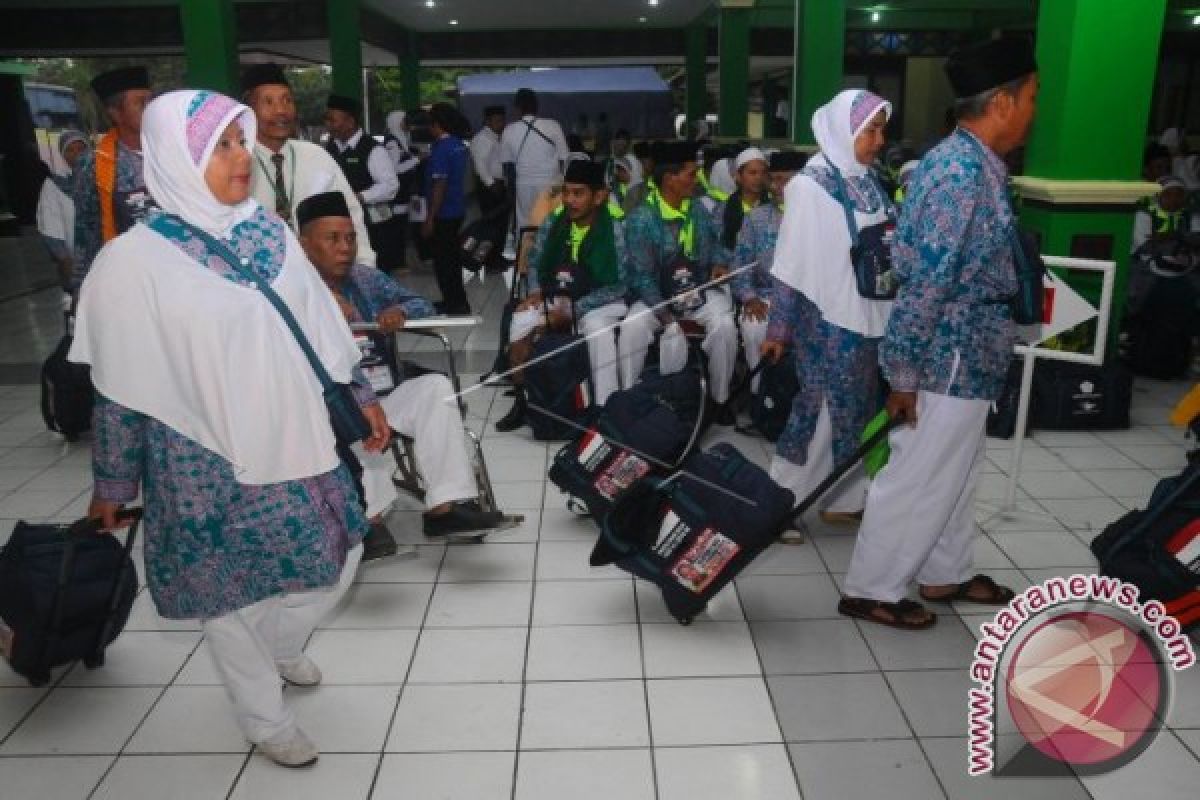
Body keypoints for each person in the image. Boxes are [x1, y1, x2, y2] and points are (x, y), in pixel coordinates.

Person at [73, 89, 390, 767]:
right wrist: (113, 481)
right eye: (219, 146)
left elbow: (320, 325)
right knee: (229, 592)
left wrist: (361, 393)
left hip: (295, 428)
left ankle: (281, 646)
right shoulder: (133, 263)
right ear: (175, 158)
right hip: (198, 456)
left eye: (240, 141)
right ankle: (262, 715)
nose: (240, 157)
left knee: (335, 556)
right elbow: (119, 388)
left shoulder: (269, 231)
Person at [840, 39, 1038, 629]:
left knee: (958, 467)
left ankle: (945, 570)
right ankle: (871, 587)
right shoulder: (957, 173)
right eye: (1031, 96)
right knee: (919, 472)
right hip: (947, 353)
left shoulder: (976, 165)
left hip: (971, 352)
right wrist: (903, 373)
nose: (1034, 109)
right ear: (1001, 102)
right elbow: (926, 281)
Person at [296, 191, 514, 538]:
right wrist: (320, 303)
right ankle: (370, 522)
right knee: (348, 414)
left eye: (351, 238)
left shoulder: (364, 279)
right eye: (332, 239)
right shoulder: (293, 291)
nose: (345, 247)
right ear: (304, 245)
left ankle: (445, 508)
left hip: (384, 392)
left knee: (435, 389)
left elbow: (421, 304)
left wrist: (401, 312)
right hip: (334, 406)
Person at [762, 90, 896, 537]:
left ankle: (842, 496)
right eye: (870, 130)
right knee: (816, 408)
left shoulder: (869, 180)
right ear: (845, 128)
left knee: (856, 409)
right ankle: (778, 503)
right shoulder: (809, 186)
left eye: (882, 129)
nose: (879, 140)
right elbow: (789, 265)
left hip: (869, 313)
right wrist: (778, 328)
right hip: (826, 319)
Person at [496, 159, 630, 431]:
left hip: (602, 299)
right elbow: (534, 262)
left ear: (599, 196)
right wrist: (534, 292)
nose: (569, 200)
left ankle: (605, 409)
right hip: (557, 295)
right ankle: (524, 400)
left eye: (578, 193)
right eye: (566, 192)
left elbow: (623, 283)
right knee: (521, 321)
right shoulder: (555, 222)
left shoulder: (616, 226)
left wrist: (574, 309)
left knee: (596, 329)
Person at [618, 140, 738, 424]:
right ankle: (629, 397)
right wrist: (665, 315)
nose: (696, 178)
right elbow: (642, 276)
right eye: (690, 173)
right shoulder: (642, 219)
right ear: (670, 179)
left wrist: (720, 263)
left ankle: (719, 400)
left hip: (697, 292)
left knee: (724, 327)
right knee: (632, 327)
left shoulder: (697, 210)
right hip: (657, 295)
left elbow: (718, 245)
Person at [241, 63, 376, 267]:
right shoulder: (235, 162)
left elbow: (351, 215)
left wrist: (365, 269)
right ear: (248, 110)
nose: (281, 111)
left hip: (318, 278)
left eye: (287, 100)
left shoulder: (316, 156)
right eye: (268, 102)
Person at [71, 66, 153, 290]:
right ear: (116, 113)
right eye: (140, 103)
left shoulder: (172, 152)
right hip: (128, 279)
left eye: (150, 101)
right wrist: (83, 288)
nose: (150, 109)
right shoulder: (94, 164)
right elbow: (86, 230)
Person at [731, 150, 804, 395]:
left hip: (806, 302)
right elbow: (740, 265)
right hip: (764, 297)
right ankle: (759, 397)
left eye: (784, 180)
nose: (775, 186)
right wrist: (749, 297)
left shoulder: (817, 219)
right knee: (753, 328)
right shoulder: (756, 218)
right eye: (773, 179)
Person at [324, 94, 405, 272]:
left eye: (332, 120)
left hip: (373, 225)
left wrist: (359, 196)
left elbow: (390, 185)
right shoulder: (330, 147)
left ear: (350, 122)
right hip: (341, 224)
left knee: (375, 273)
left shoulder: (373, 149)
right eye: (327, 120)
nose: (328, 125)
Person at [422, 102, 472, 315]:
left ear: (437, 125)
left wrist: (430, 218)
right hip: (457, 208)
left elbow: (439, 184)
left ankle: (454, 303)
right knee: (452, 258)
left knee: (443, 262)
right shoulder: (459, 144)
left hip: (442, 212)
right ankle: (457, 300)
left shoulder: (441, 148)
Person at [501, 88, 568, 231]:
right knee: (550, 223)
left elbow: (507, 166)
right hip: (550, 184)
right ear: (537, 106)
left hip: (523, 184)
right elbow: (565, 158)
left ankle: (526, 251)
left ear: (517, 108)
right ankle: (548, 252)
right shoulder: (552, 125)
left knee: (524, 223)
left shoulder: (509, 130)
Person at [37, 130, 89, 291]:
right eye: (70, 150)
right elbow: (49, 225)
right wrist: (66, 261)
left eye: (81, 149)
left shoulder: (101, 177)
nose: (77, 154)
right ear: (62, 154)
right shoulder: (53, 185)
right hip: (75, 262)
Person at [470, 105, 510, 271]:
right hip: (490, 187)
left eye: (502, 120)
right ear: (487, 121)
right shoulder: (482, 139)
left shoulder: (495, 137)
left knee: (501, 225)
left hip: (498, 184)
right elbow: (480, 164)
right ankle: (490, 261)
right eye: (497, 120)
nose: (501, 123)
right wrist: (491, 184)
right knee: (492, 227)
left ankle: (497, 257)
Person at [383, 110, 421, 271]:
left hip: (403, 193)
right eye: (404, 121)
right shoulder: (392, 143)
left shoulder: (402, 140)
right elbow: (394, 169)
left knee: (402, 227)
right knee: (397, 229)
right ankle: (396, 263)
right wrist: (417, 160)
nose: (407, 124)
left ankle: (400, 261)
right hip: (397, 195)